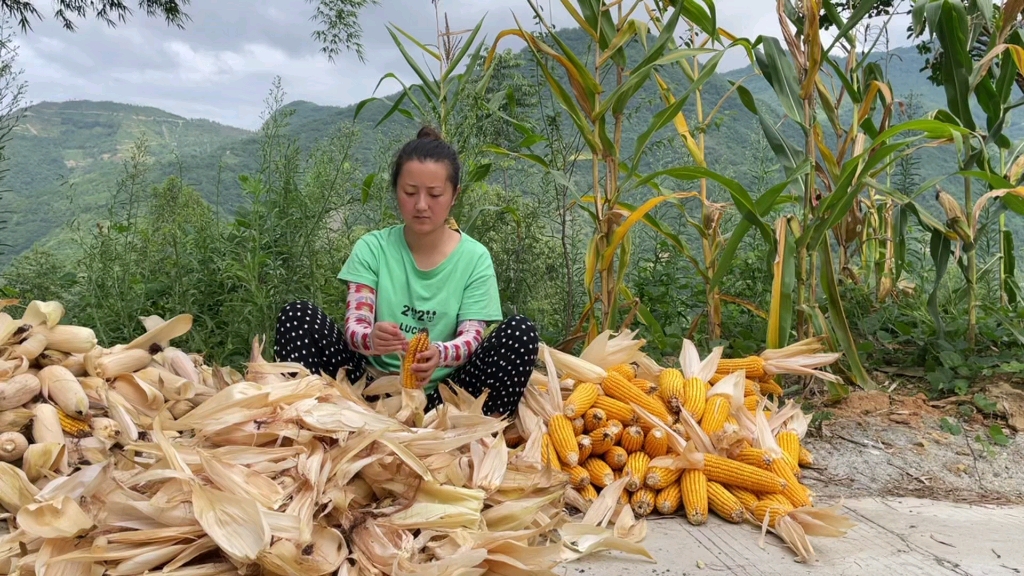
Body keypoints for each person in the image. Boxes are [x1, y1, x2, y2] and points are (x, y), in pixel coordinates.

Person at [273, 126, 539, 418]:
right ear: (396, 190)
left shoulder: (474, 258)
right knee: (297, 315)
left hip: (444, 397)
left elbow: (471, 337)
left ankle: (476, 436)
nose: (421, 205)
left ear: (454, 195)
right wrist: (370, 339)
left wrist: (439, 354)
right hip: (367, 387)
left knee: (520, 333)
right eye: (410, 192)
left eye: (435, 194)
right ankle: (305, 421)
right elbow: (355, 325)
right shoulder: (372, 247)